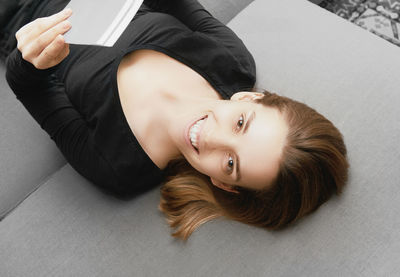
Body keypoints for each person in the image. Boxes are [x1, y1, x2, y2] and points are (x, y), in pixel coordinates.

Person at [3, 0, 349, 240]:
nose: (212, 137)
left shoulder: (118, 165)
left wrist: (30, 59)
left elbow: (29, 88)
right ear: (249, 98)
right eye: (241, 123)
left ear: (224, 184)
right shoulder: (232, 63)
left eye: (230, 162)